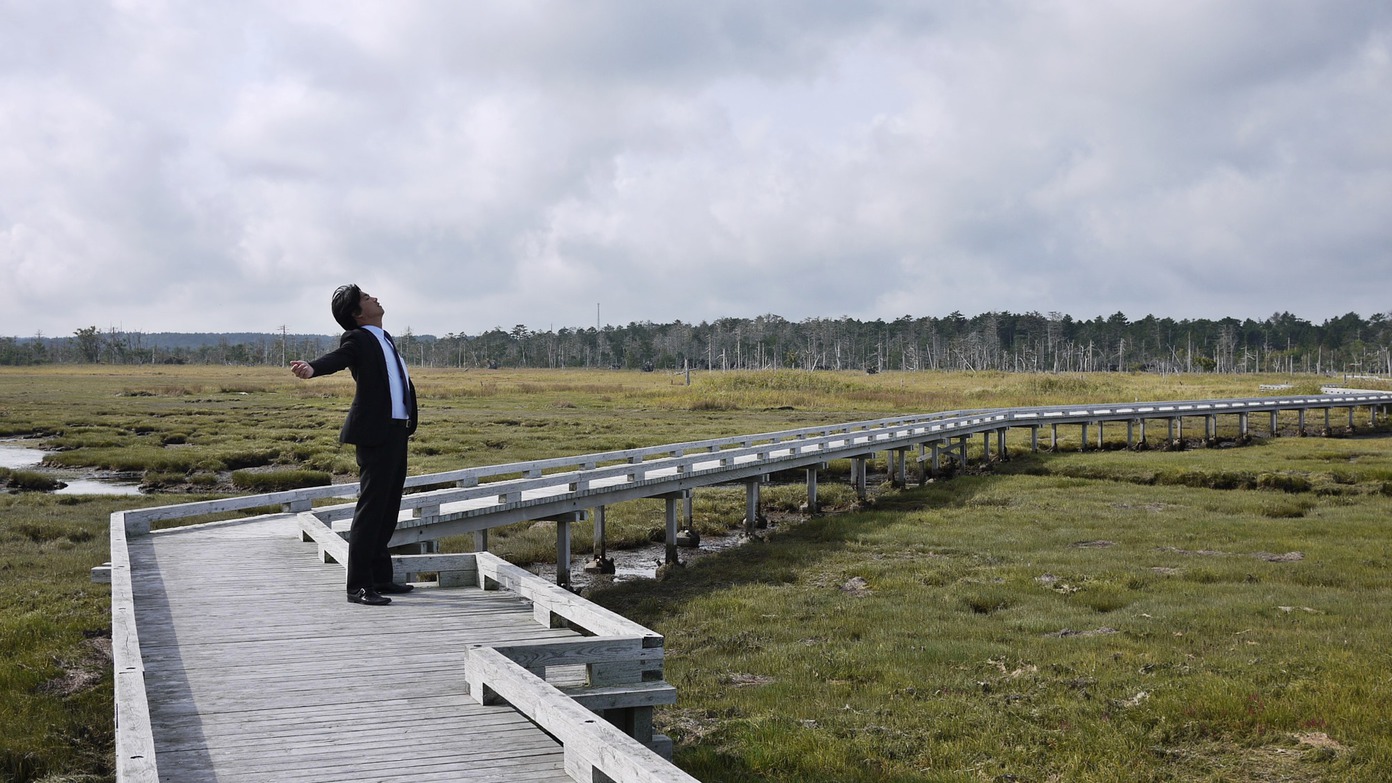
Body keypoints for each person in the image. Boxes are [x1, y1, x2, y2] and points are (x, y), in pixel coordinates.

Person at [291, 285, 418, 606]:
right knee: (372, 508)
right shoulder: (358, 338)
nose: (374, 297)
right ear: (357, 314)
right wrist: (313, 368)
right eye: (365, 297)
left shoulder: (384, 338)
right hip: (375, 432)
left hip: (395, 430)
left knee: (388, 506)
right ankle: (358, 586)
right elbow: (340, 358)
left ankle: (380, 577)